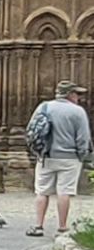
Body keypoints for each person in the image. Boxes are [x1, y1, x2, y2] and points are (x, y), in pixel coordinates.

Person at [26, 80, 91, 237]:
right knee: (64, 192)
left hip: (46, 156)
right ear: (70, 94)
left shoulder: (44, 107)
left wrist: (37, 151)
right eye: (76, 94)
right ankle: (62, 228)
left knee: (42, 192)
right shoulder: (78, 111)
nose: (78, 97)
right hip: (70, 158)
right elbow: (83, 137)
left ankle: (38, 226)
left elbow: (31, 130)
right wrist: (83, 155)